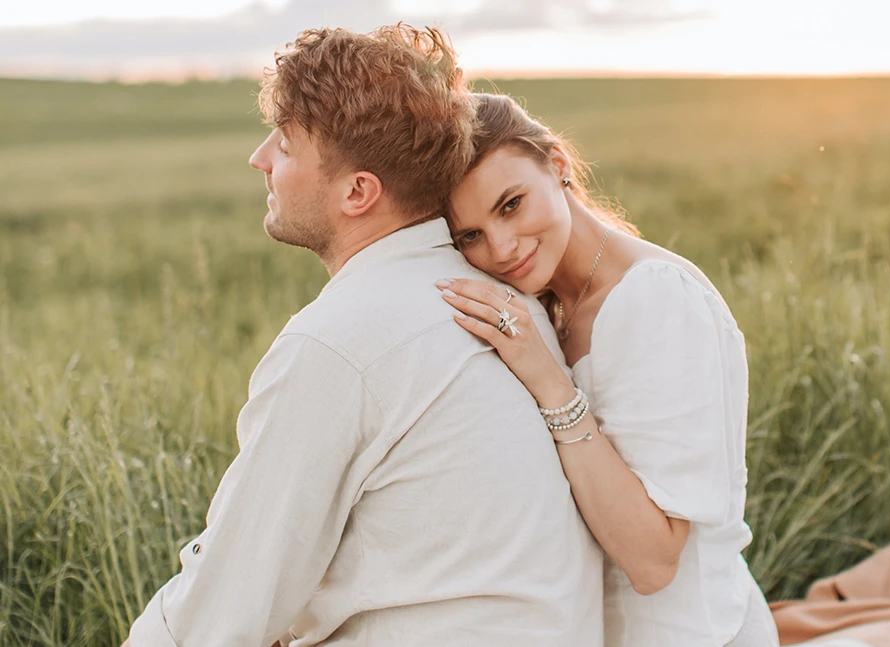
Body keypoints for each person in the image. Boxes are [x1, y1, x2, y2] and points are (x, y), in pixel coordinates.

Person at [123, 28, 603, 647]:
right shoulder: (512, 302)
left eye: (288, 145)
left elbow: (224, 608)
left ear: (358, 192)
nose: (261, 158)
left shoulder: (338, 346)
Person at [438, 92, 780, 647]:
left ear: (559, 166)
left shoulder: (652, 299)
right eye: (469, 236)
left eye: (511, 204)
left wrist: (548, 379)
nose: (501, 247)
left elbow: (654, 561)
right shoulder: (551, 304)